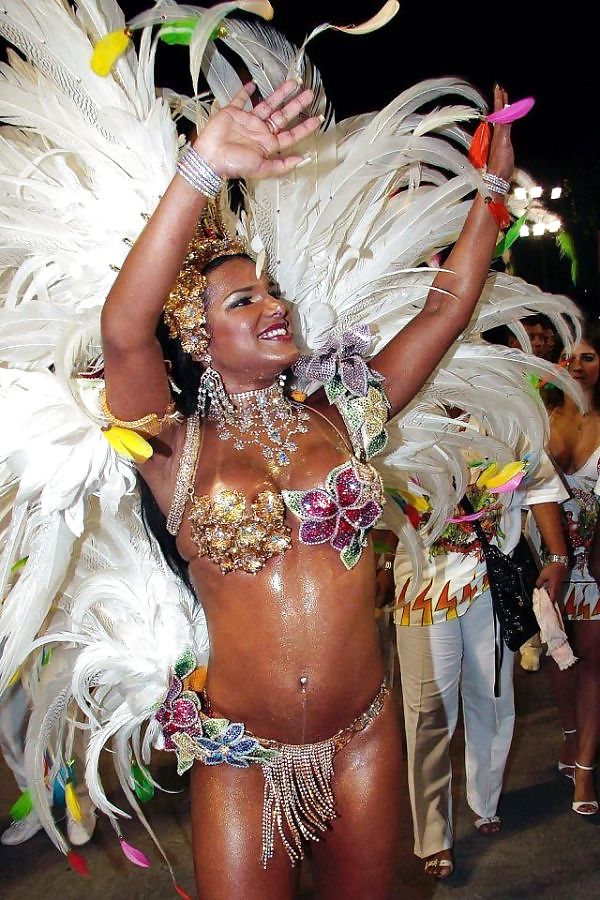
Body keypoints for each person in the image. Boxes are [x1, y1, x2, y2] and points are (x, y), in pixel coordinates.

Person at [99, 76, 514, 897]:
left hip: (363, 734)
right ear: (195, 333)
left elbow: (446, 308)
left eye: (273, 289)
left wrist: (491, 195)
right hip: (239, 753)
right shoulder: (173, 448)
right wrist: (202, 170)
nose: (275, 305)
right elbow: (122, 327)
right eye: (244, 298)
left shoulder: (344, 414)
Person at [392, 422, 568, 879]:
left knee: (491, 698)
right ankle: (433, 834)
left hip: (491, 584)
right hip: (422, 587)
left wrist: (557, 555)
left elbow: (540, 484)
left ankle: (485, 799)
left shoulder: (505, 416)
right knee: (429, 711)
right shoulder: (397, 414)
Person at [543, 326, 600, 815]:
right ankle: (569, 731)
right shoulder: (541, 419)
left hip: (598, 563)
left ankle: (584, 771)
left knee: (595, 662)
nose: (577, 365)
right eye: (568, 356)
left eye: (588, 356)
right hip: (555, 558)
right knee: (559, 658)